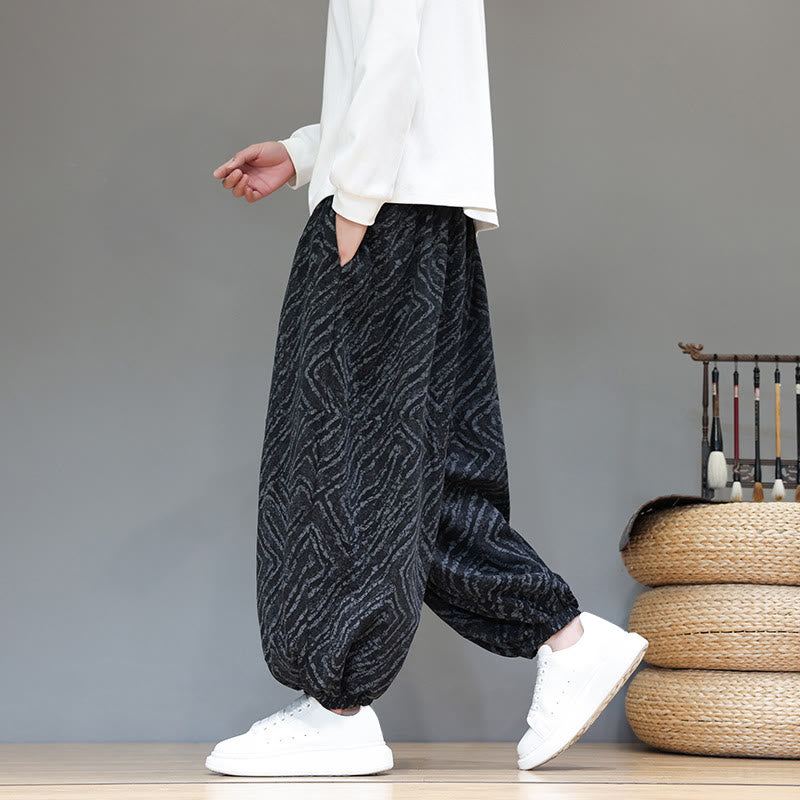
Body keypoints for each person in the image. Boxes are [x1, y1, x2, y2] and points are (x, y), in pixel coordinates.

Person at [207, 0, 648, 778]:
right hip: (425, 218)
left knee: (341, 465)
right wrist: (307, 152)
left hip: (385, 214)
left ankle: (337, 712)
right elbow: (408, 70)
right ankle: (565, 637)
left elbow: (392, 66)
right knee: (421, 469)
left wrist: (354, 202)